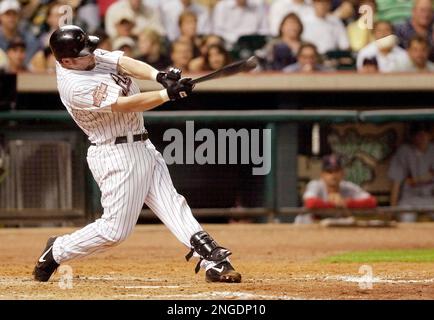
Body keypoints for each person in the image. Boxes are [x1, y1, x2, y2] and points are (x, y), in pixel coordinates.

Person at [32, 25, 242, 284]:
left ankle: (214, 261)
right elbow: (125, 104)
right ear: (67, 61)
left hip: (142, 144)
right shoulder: (75, 85)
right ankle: (58, 249)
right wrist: (167, 94)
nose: (93, 55)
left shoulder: (85, 58)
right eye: (86, 53)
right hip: (116, 154)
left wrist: (160, 76)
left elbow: (124, 62)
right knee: (114, 231)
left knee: (172, 204)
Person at [297, 154, 377, 224]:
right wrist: (334, 204)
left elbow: (372, 202)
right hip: (305, 227)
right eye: (329, 172)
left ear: (342, 173)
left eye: (336, 171)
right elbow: (310, 203)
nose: (333, 175)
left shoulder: (347, 187)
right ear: (322, 175)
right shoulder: (316, 185)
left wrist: (346, 203)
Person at [388, 122, 434, 222]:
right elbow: (395, 184)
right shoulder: (404, 152)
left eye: (425, 134)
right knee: (406, 220)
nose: (422, 137)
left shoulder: (432, 150)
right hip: (409, 199)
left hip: (430, 198)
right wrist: (392, 211)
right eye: (418, 134)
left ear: (430, 135)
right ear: (412, 137)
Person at [0, 0, 40, 65]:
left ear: (19, 16)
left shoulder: (28, 37)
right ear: (0, 17)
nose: (11, 17)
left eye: (14, 14)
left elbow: (30, 60)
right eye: (7, 14)